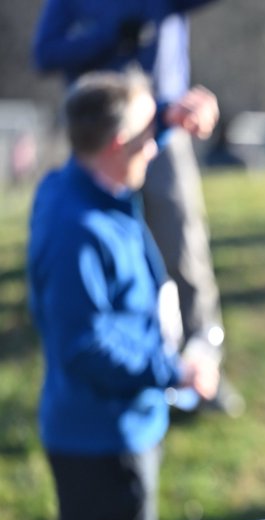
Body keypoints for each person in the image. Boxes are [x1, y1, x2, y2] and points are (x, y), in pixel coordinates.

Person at [27, 70, 225, 520]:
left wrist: (168, 118)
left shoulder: (84, 180)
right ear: (118, 144)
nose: (157, 145)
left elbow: (125, 135)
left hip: (129, 430)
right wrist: (174, 368)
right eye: (148, 134)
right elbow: (85, 347)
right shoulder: (77, 223)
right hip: (96, 441)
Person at [32, 0, 242, 417]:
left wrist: (172, 114)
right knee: (111, 264)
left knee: (183, 250)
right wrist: (109, 34)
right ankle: (144, 373)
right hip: (101, 142)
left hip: (164, 126)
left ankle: (201, 371)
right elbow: (45, 53)